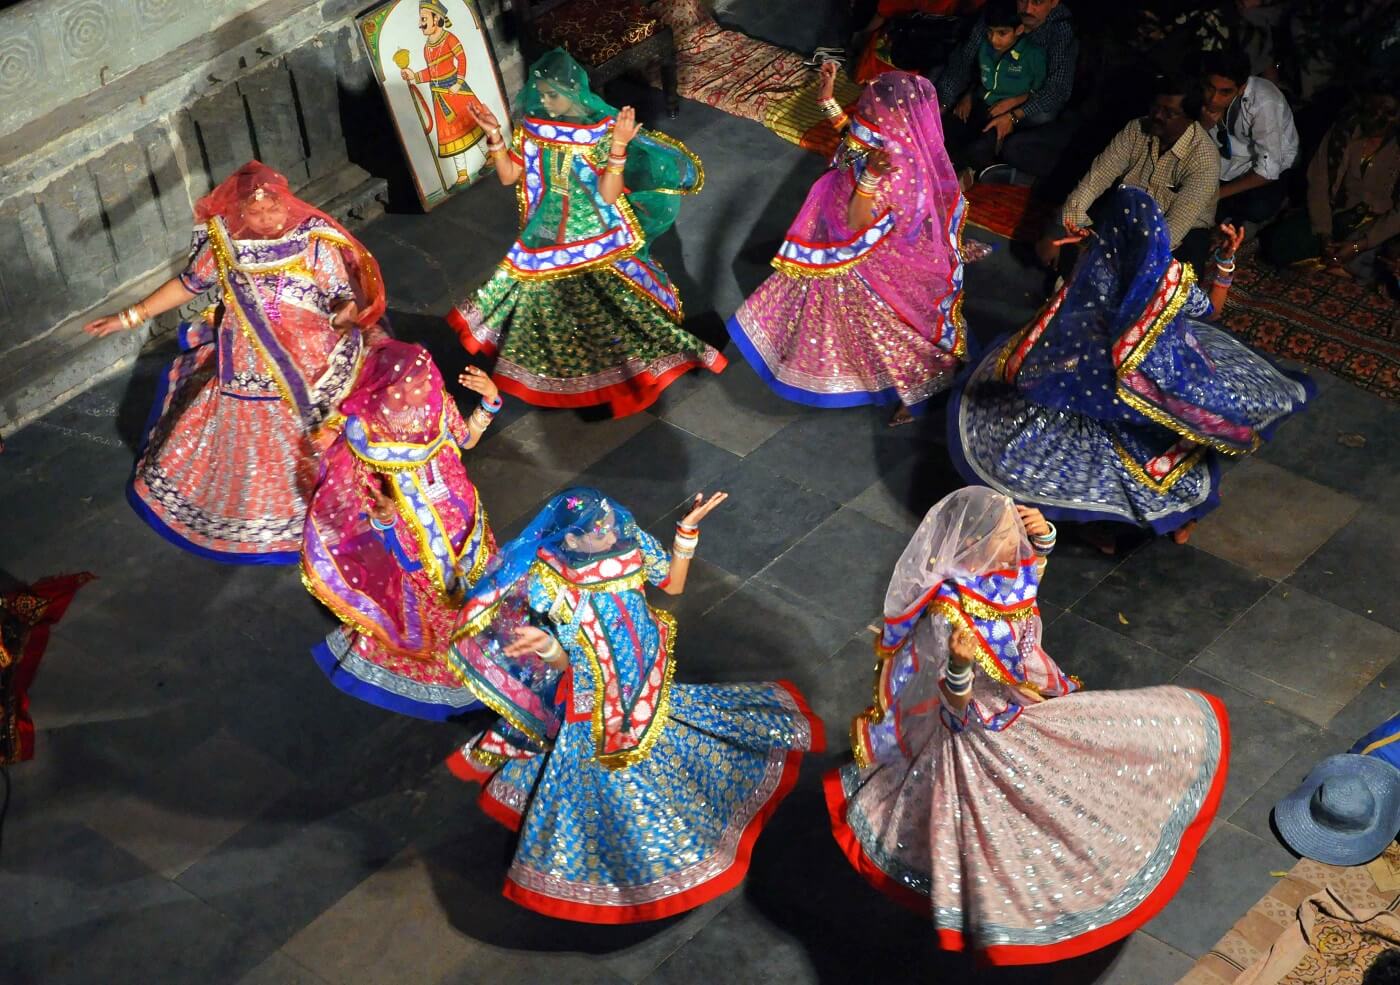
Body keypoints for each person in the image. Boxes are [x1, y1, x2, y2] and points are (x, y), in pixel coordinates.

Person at [824, 486, 1229, 964]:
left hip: (1021, 705)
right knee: (1001, 824)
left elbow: (1025, 590)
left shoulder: (995, 575)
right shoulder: (947, 615)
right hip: (978, 732)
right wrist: (958, 665)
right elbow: (954, 706)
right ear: (973, 546)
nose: (1013, 534)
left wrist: (1045, 540)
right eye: (1004, 532)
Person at [444, 488, 824, 923]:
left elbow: (674, 584)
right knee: (609, 781)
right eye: (597, 529)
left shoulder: (629, 545)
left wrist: (687, 530)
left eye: (608, 522)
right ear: (570, 540)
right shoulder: (550, 585)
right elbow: (568, 660)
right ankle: (634, 866)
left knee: (657, 742)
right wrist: (548, 648)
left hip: (642, 678)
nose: (609, 531)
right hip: (594, 703)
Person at [952, 187, 1312, 550]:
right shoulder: (1169, 280)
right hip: (1142, 390)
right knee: (1161, 448)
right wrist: (1223, 261)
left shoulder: (1099, 267)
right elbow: (1212, 312)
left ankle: (1106, 526)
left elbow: (1072, 315)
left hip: (1097, 388)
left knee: (1074, 454)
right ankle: (1162, 521)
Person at [84, 161, 387, 563]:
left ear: (288, 203)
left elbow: (336, 293)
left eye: (273, 209)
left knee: (326, 427)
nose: (265, 218)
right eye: (256, 211)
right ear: (240, 211)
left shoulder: (314, 241)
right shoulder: (224, 244)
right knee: (252, 440)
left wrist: (346, 313)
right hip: (248, 363)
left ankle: (345, 500)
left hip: (314, 357)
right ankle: (261, 517)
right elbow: (188, 285)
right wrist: (130, 316)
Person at [446, 49, 723, 417]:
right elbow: (509, 176)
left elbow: (610, 194)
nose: (544, 102)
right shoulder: (534, 131)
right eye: (541, 94)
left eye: (552, 95)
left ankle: (624, 375)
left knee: (608, 310)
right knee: (551, 309)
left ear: (574, 92)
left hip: (595, 239)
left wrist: (619, 146)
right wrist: (495, 135)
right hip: (546, 238)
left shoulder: (599, 135)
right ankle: (571, 374)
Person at [727, 67, 968, 425]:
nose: (868, 106)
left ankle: (925, 384)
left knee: (882, 329)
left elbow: (859, 221)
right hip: (834, 244)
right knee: (828, 313)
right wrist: (827, 101)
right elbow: (853, 141)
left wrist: (869, 178)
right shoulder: (883, 138)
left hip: (868, 265)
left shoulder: (898, 169)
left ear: (894, 114)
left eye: (876, 104)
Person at [300, 341, 501, 720]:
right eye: (414, 382)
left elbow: (466, 440)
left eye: (426, 378)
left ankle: (487, 647)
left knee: (482, 590)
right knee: (439, 609)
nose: (425, 386)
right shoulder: (365, 433)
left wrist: (490, 401)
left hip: (466, 519)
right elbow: (365, 500)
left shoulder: (436, 404)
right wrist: (386, 517)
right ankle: (453, 666)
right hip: (416, 540)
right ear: (388, 388)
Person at [1038, 72, 1220, 275]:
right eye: (1156, 107)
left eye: (1169, 113)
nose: (1157, 116)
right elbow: (1095, 180)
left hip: (1182, 231)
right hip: (1128, 210)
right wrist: (1058, 232)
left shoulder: (1204, 160)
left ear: (1189, 119)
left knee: (1172, 283)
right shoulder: (1136, 129)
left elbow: (1173, 230)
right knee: (1066, 239)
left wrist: (1115, 256)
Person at [1259, 90, 1400, 282]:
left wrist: (1360, 244)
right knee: (1280, 242)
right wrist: (1324, 233)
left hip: (1380, 226)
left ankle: (1349, 265)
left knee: (1390, 259)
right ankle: (1341, 264)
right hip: (1340, 214)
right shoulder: (1343, 132)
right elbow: (1319, 183)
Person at [936, 0, 1078, 180]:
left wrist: (1014, 113)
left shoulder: (1060, 30)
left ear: (1054, 2)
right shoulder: (999, 11)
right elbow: (965, 59)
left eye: (1037, 2)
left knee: (1040, 116)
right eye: (1022, 0)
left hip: (1027, 100)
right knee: (939, 83)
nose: (1027, 9)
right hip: (989, 88)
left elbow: (1056, 90)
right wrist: (945, 102)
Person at [1199, 46, 1298, 224]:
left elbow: (1267, 170)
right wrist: (1205, 125)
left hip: (1271, 162)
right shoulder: (1201, 92)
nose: (1214, 99)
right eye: (1210, 88)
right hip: (1226, 160)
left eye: (1225, 92)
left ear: (1241, 88)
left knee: (1257, 208)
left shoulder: (1263, 103)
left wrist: (1215, 196)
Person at [398, 0, 489, 187]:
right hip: (439, 95)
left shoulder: (450, 39)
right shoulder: (427, 47)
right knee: (451, 135)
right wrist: (413, 75)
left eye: (424, 18)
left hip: (455, 90)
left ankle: (490, 155)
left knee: (472, 126)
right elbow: (432, 72)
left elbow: (462, 59)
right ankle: (462, 175)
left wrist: (458, 82)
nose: (420, 23)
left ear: (436, 18)